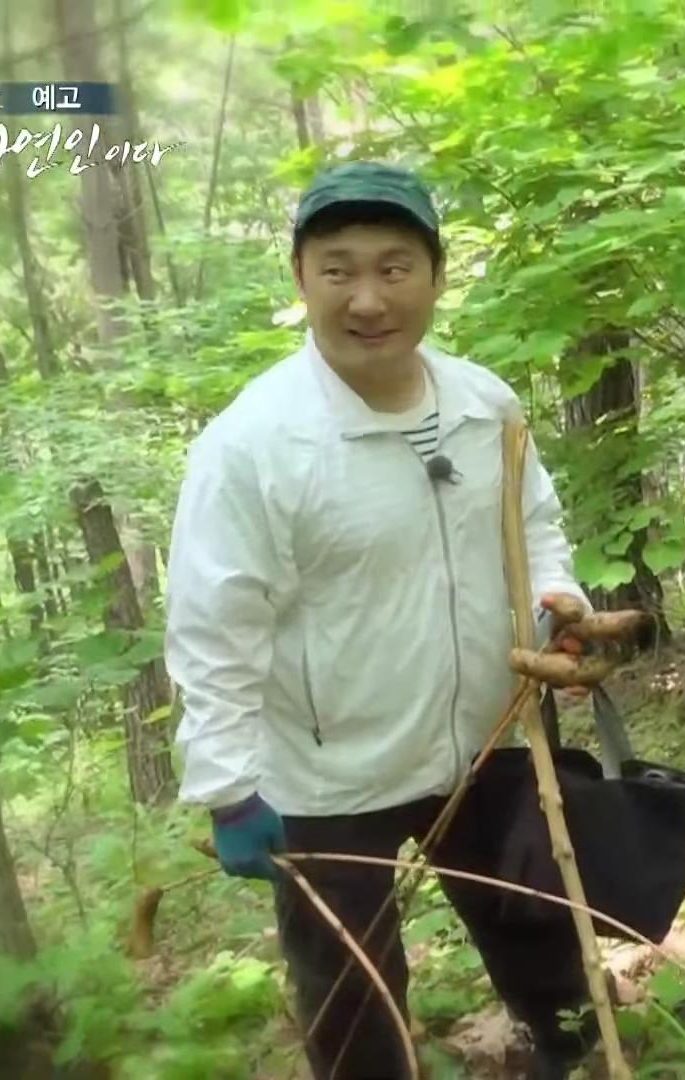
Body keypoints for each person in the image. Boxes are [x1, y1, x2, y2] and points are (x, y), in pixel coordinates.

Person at [166, 161, 596, 1079]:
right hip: (326, 779)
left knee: (553, 958)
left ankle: (572, 1059)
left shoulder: (486, 406)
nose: (368, 299)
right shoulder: (255, 446)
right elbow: (215, 625)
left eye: (395, 268)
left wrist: (560, 601)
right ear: (300, 278)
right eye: (339, 269)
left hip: (488, 743)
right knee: (352, 1009)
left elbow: (536, 526)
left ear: (436, 277)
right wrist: (229, 786)